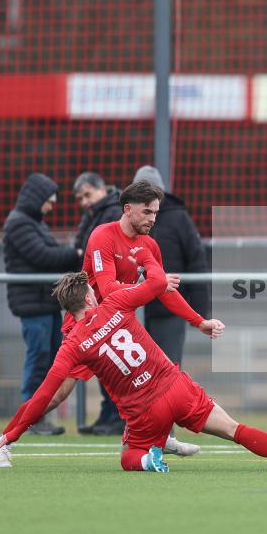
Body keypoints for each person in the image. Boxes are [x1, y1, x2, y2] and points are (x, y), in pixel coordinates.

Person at [0, 253, 267, 473]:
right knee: (235, 430)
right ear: (91, 296)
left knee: (127, 456)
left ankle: (150, 457)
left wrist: (10, 434)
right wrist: (147, 257)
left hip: (145, 411)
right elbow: (156, 283)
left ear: (68, 308)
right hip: (177, 387)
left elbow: (45, 395)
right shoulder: (117, 302)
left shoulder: (72, 344)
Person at [54, 179, 223, 457]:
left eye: (155, 212)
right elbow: (107, 290)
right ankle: (8, 439)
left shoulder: (149, 246)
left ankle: (158, 438)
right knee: (59, 393)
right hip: (88, 327)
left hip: (119, 328)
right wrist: (151, 285)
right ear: (128, 209)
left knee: (164, 376)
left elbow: (164, 292)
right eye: (147, 212)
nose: (153, 218)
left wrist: (199, 321)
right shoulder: (102, 236)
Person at [3, 173, 83, 435]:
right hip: (32, 306)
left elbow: (48, 254)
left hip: (44, 304)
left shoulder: (34, 223)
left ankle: (37, 416)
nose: (50, 206)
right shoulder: (19, 223)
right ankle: (29, 418)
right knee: (38, 359)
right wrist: (76, 254)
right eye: (49, 201)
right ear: (37, 199)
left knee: (49, 361)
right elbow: (42, 255)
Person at [132, 165, 210, 367]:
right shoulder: (129, 218)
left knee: (169, 370)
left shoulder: (179, 218)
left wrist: (200, 308)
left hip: (168, 311)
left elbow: (196, 260)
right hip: (135, 308)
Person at [72, 171, 124, 434]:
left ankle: (118, 415)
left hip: (109, 300)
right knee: (103, 360)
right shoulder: (93, 215)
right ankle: (108, 413)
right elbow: (80, 248)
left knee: (112, 359)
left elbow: (96, 252)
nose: (84, 201)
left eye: (87, 194)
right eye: (81, 197)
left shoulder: (112, 212)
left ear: (100, 189)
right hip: (97, 299)